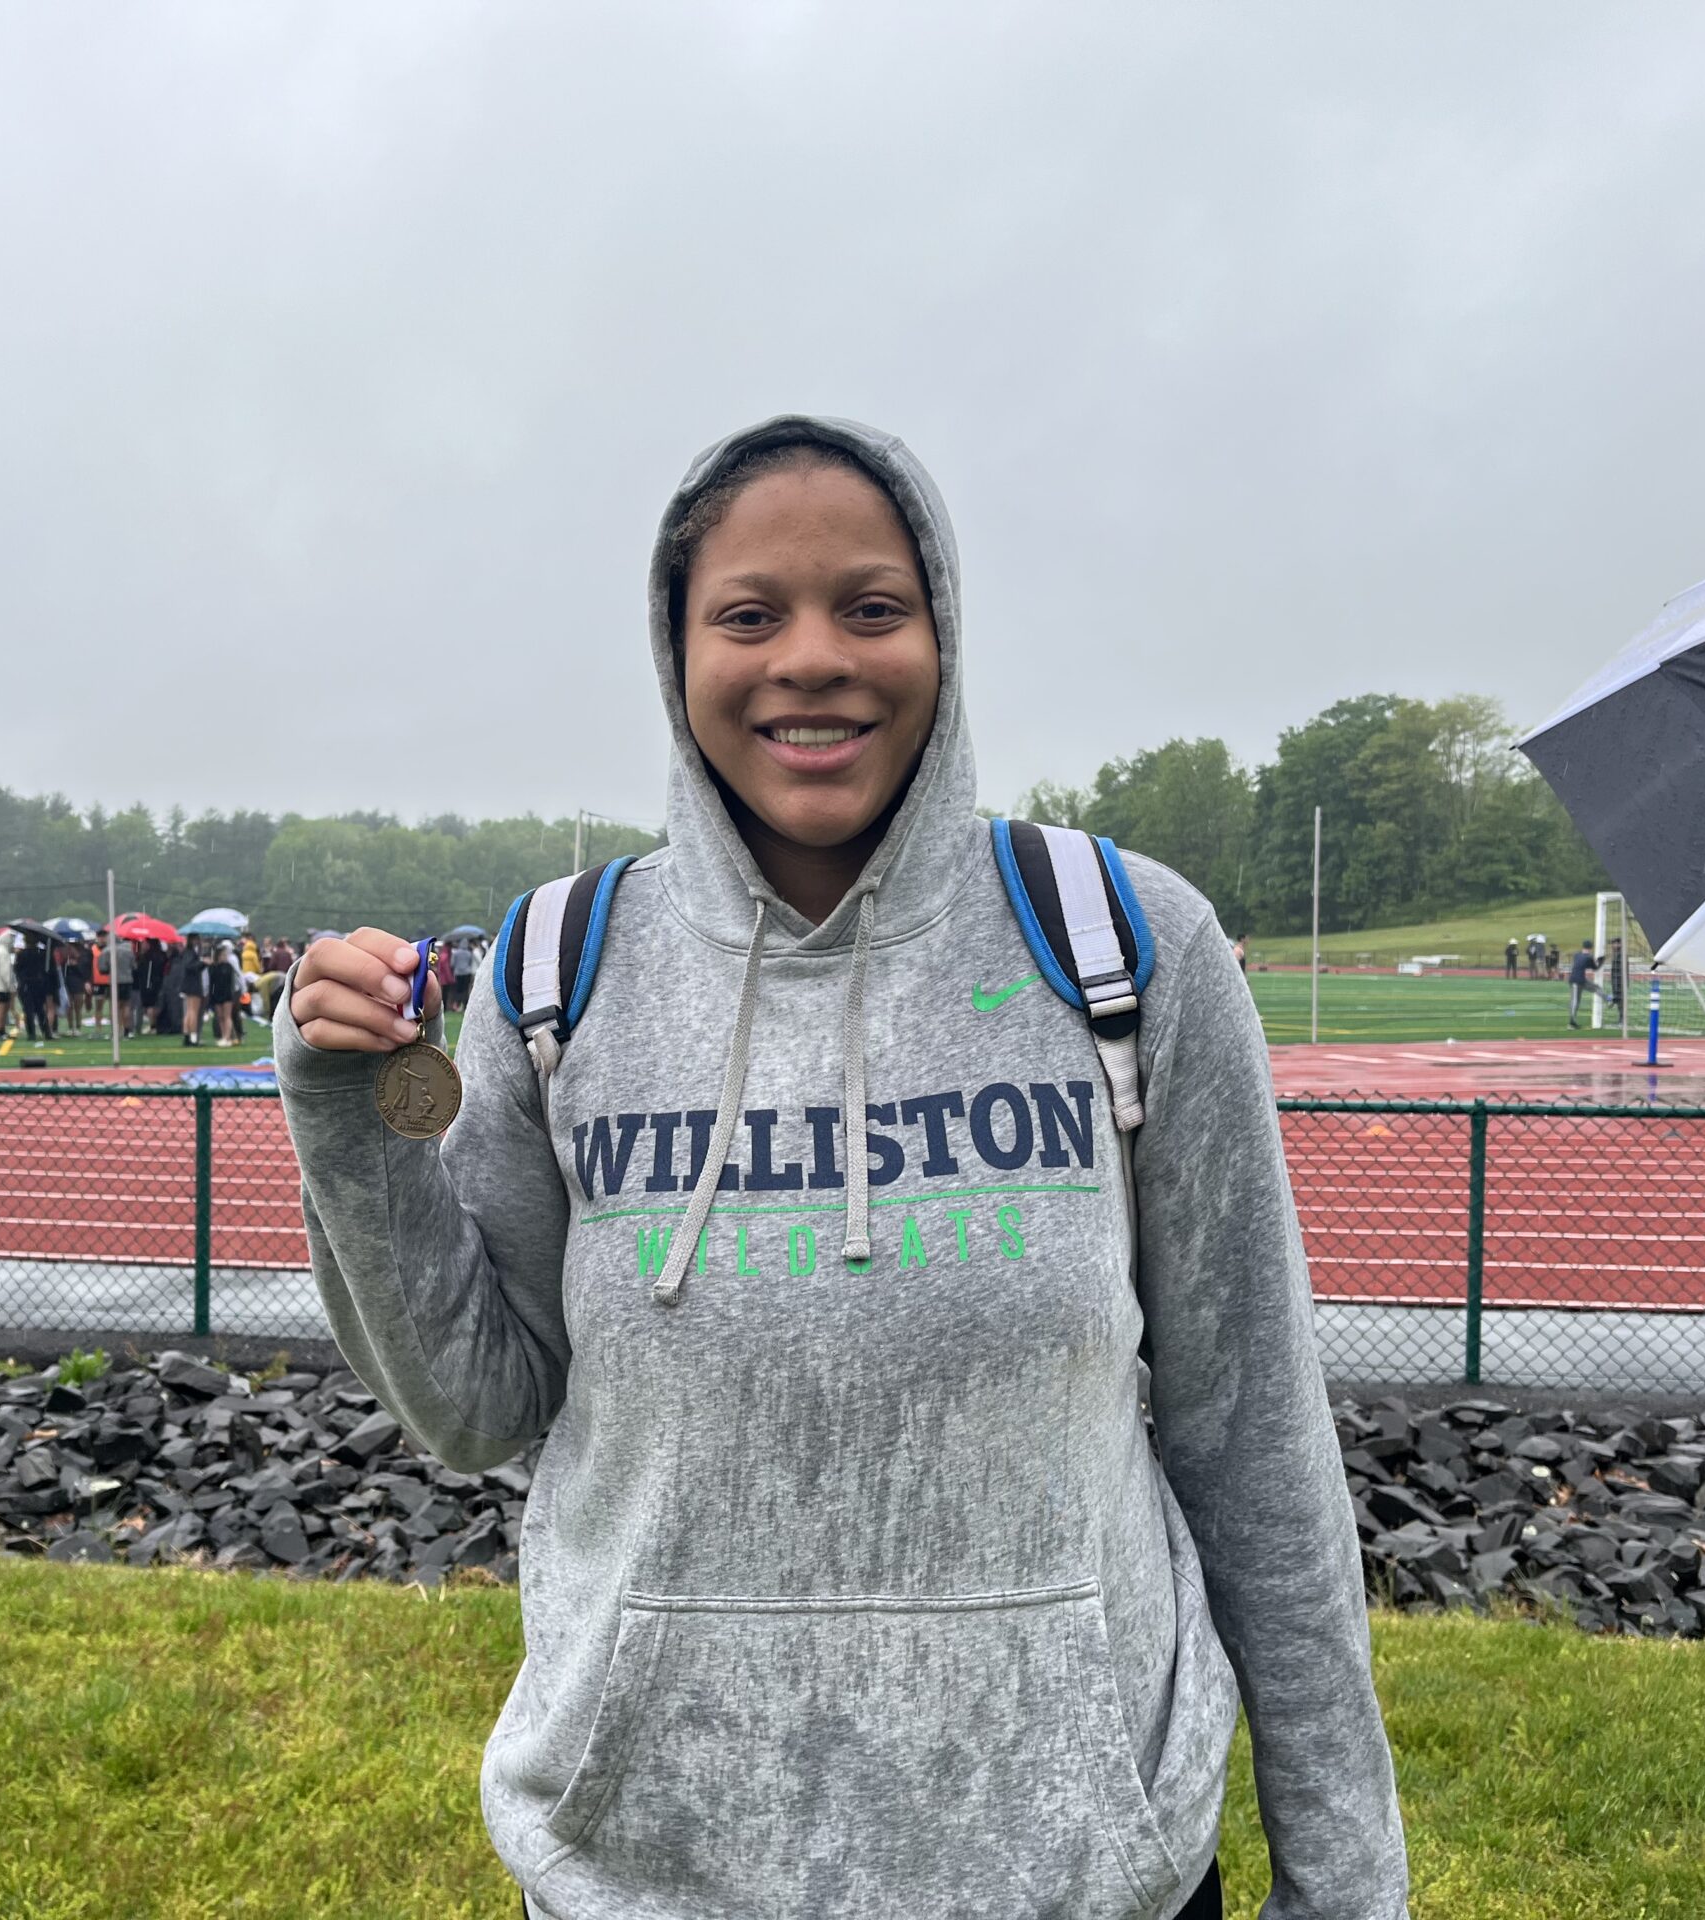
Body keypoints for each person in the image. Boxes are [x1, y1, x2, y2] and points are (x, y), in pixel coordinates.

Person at [278, 417, 1407, 1920]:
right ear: (676, 656)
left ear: (943, 631)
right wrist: (351, 1123)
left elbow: (1253, 1439)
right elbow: (477, 1405)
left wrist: (1344, 1881)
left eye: (872, 606)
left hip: (1077, 1874)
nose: (811, 658)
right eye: (748, 615)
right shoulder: (562, 969)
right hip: (651, 1872)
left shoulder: (1125, 945)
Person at [207, 939, 241, 1046]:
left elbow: (229, 980)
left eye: (225, 955)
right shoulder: (213, 967)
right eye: (222, 955)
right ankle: (223, 1036)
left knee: (227, 1016)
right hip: (216, 994)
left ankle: (227, 1037)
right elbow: (211, 980)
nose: (224, 957)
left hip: (227, 994)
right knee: (220, 1016)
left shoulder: (228, 967)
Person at [1566, 936, 1596, 1027]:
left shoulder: (1577, 955)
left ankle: (1573, 1020)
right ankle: (1572, 1021)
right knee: (1575, 1001)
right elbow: (1592, 967)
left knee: (1576, 1001)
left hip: (1579, 980)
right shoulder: (1586, 956)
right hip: (1576, 980)